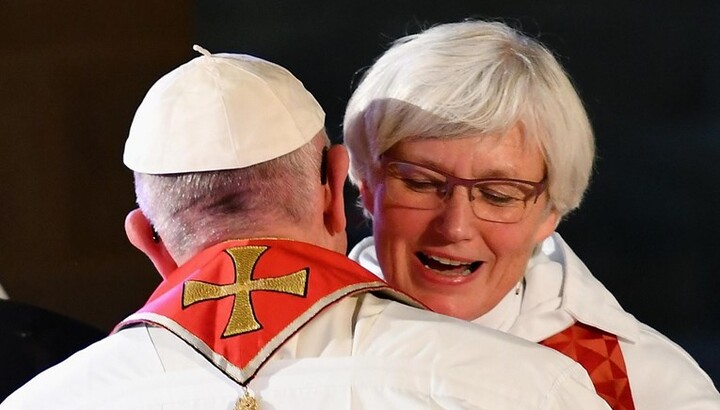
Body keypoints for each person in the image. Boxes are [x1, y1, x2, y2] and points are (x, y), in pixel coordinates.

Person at [1, 46, 611, 409]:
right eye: (425, 184)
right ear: (335, 190)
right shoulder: (529, 387)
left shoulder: (47, 401)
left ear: (149, 240)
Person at [343, 20, 720, 410]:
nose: (455, 226)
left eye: (498, 196)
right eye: (420, 183)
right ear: (366, 183)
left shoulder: (637, 387)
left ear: (550, 213)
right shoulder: (292, 345)